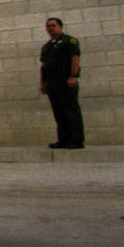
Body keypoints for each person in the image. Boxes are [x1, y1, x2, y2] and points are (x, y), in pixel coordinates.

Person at [40, 17, 84, 149]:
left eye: (53, 25)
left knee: (71, 110)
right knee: (59, 113)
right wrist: (43, 83)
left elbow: (75, 59)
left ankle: (76, 140)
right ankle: (63, 140)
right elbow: (43, 67)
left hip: (66, 81)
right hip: (52, 84)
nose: (50, 28)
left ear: (60, 27)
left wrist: (73, 76)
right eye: (48, 26)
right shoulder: (47, 46)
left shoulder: (69, 41)